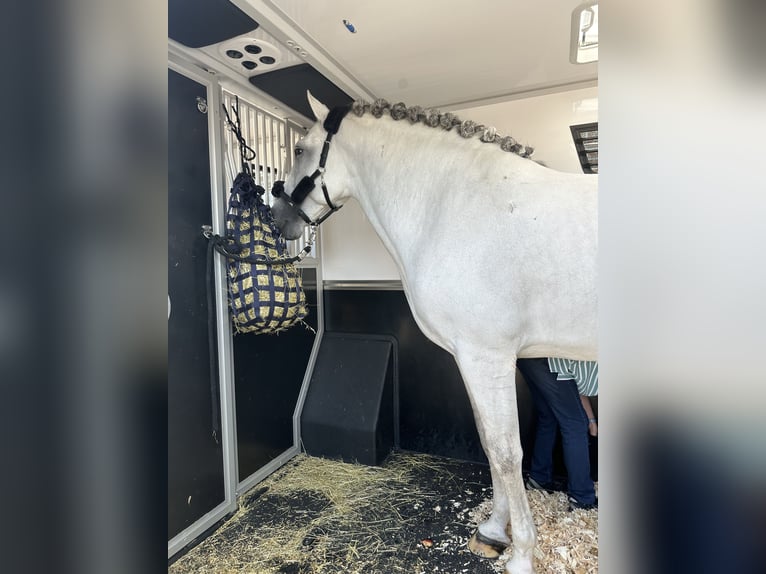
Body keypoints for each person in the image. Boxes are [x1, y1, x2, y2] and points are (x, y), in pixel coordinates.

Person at [517, 357, 598, 511]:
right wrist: (590, 421)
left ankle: (539, 478)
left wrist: (592, 420)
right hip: (552, 359)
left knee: (549, 415)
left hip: (528, 355)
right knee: (575, 424)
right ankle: (582, 498)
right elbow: (577, 385)